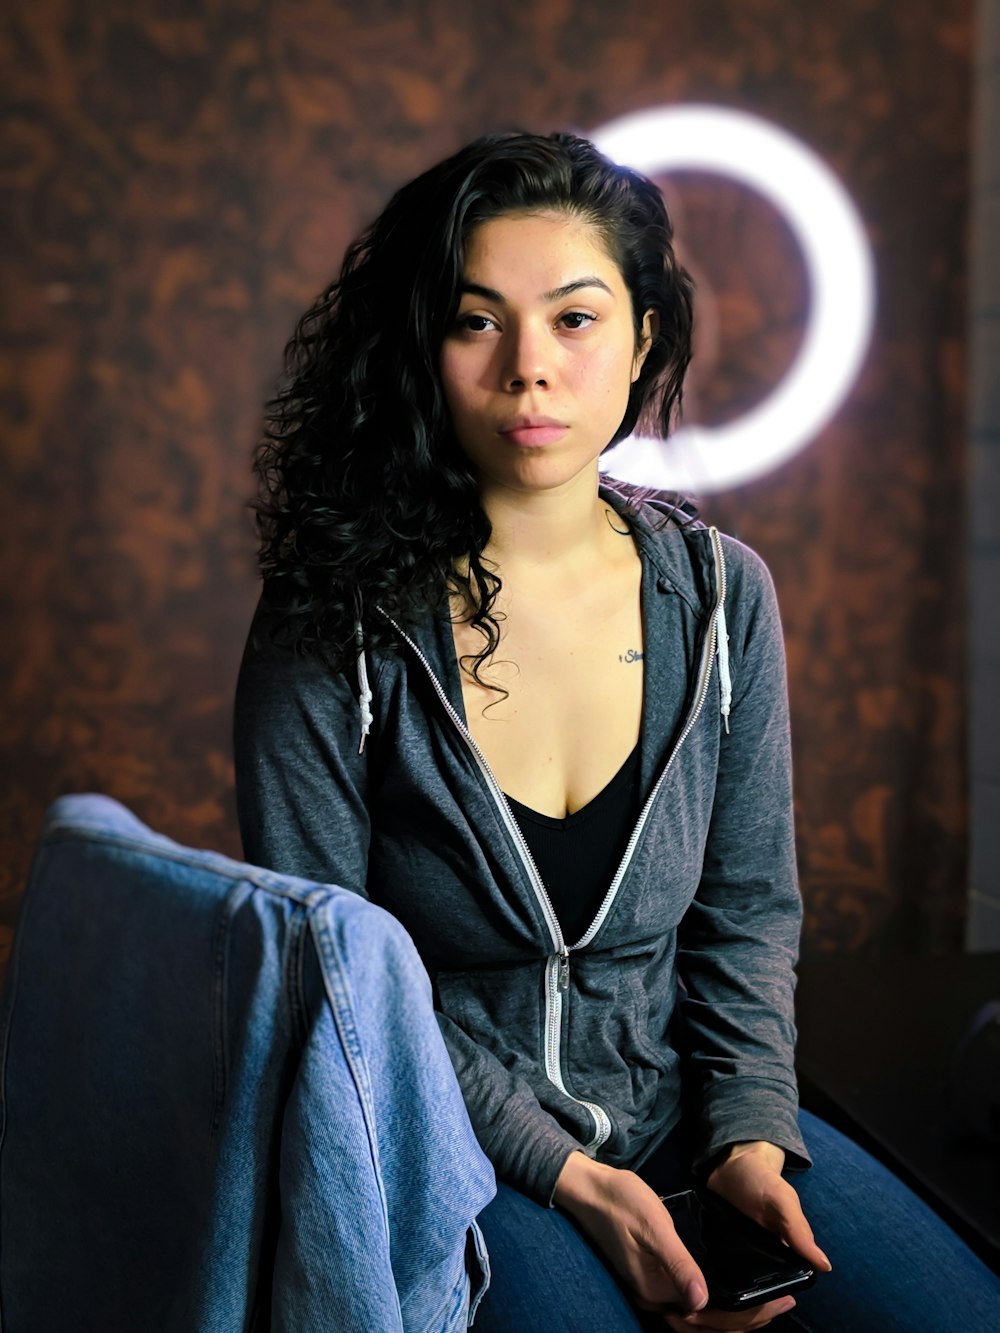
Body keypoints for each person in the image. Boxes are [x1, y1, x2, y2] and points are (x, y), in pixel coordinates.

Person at [234, 131, 1000, 1330]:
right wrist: (569, 1177)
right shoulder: (333, 623)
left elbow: (747, 914)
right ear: (419, 350)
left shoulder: (719, 593)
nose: (529, 368)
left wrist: (749, 1131)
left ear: (644, 337)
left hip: (684, 1117)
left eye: (576, 318)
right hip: (451, 1142)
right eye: (477, 320)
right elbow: (335, 984)